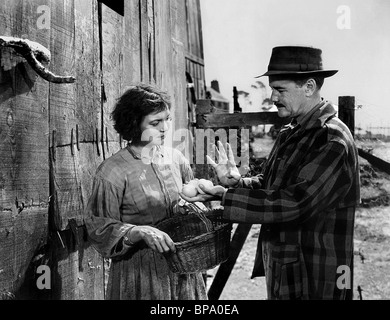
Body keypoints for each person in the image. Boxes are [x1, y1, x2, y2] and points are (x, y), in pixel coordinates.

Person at [180, 46, 361, 300]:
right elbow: (270, 184)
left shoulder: (331, 139)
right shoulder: (292, 131)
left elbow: (294, 202)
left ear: (309, 87)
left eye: (280, 89)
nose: (273, 96)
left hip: (317, 274)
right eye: (271, 88)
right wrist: (236, 182)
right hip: (286, 267)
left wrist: (224, 197)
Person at [84, 84, 207, 300]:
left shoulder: (176, 159)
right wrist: (138, 231)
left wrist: (194, 205)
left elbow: (194, 201)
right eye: (155, 122)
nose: (165, 128)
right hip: (141, 274)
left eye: (167, 119)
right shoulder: (113, 171)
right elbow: (99, 227)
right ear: (134, 123)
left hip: (184, 266)